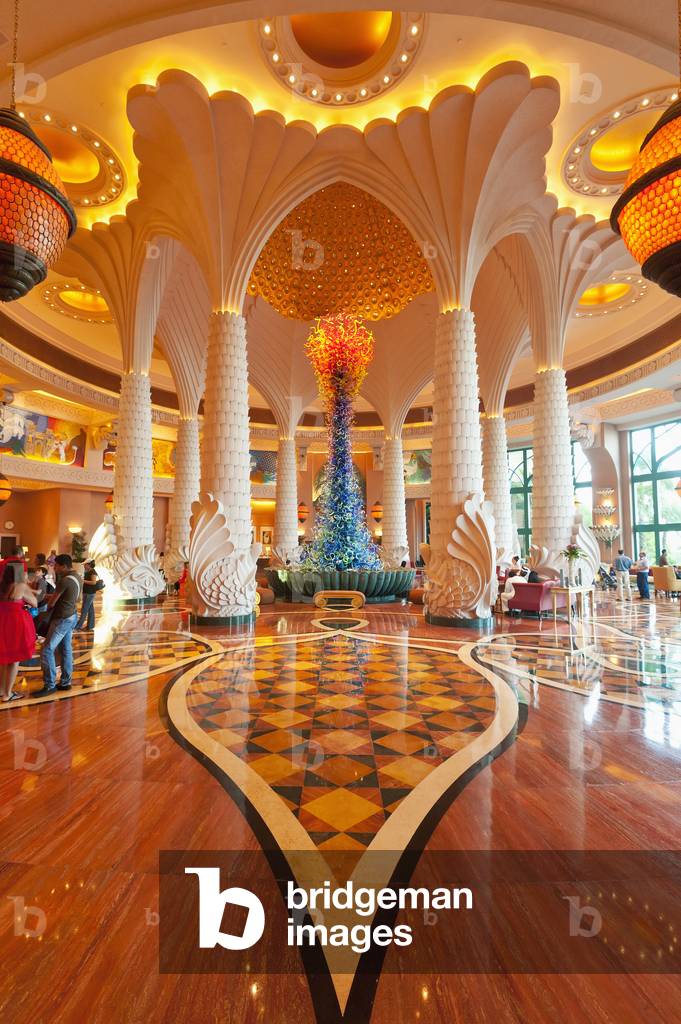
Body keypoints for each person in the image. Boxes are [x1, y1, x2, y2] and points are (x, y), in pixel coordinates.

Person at [34, 554, 82, 696]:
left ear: (63, 566)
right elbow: (74, 597)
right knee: (65, 649)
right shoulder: (77, 577)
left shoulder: (65, 580)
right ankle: (66, 682)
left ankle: (49, 685)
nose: (54, 568)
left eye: (56, 565)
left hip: (62, 618)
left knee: (47, 650)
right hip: (72, 615)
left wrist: (46, 605)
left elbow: (52, 603)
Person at [0, 562, 37, 702]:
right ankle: (7, 694)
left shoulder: (1, 586)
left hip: (2, 620)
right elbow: (35, 603)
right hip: (15, 623)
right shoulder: (20, 586)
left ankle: (1, 689)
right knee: (14, 660)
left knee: (3, 658)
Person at [76, 561, 102, 631]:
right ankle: (90, 625)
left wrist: (83, 580)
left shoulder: (93, 572)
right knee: (90, 610)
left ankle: (78, 626)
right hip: (87, 592)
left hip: (89, 593)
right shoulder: (88, 571)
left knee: (84, 609)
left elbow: (93, 582)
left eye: (85, 564)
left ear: (89, 565)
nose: (84, 566)